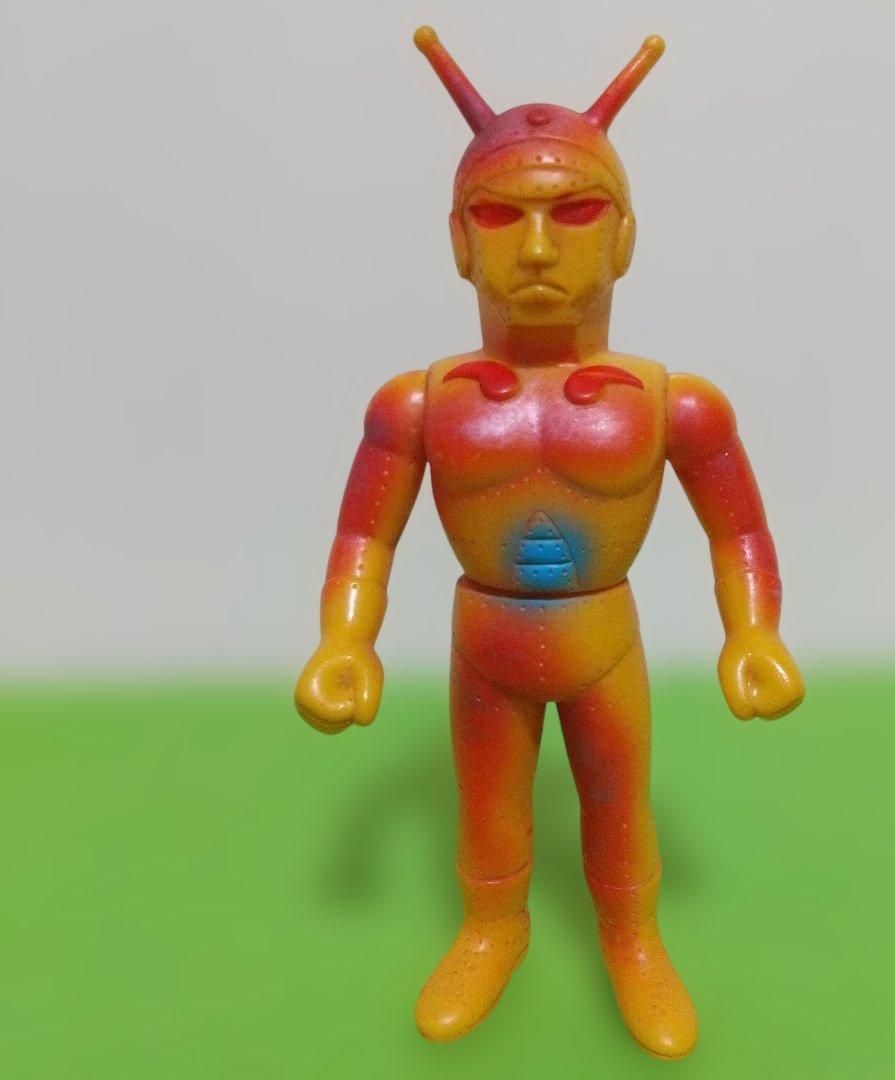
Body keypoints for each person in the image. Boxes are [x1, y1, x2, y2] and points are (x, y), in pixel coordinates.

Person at [295, 27, 804, 1061]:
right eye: (501, 215)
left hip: (601, 639)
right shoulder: (418, 404)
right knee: (489, 807)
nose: (535, 249)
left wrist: (753, 629)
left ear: (623, 239)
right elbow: (363, 536)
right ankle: (493, 928)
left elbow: (740, 531)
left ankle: (633, 940)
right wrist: (344, 639)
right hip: (484, 637)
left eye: (574, 213)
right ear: (459, 241)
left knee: (619, 800)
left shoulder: (675, 405)